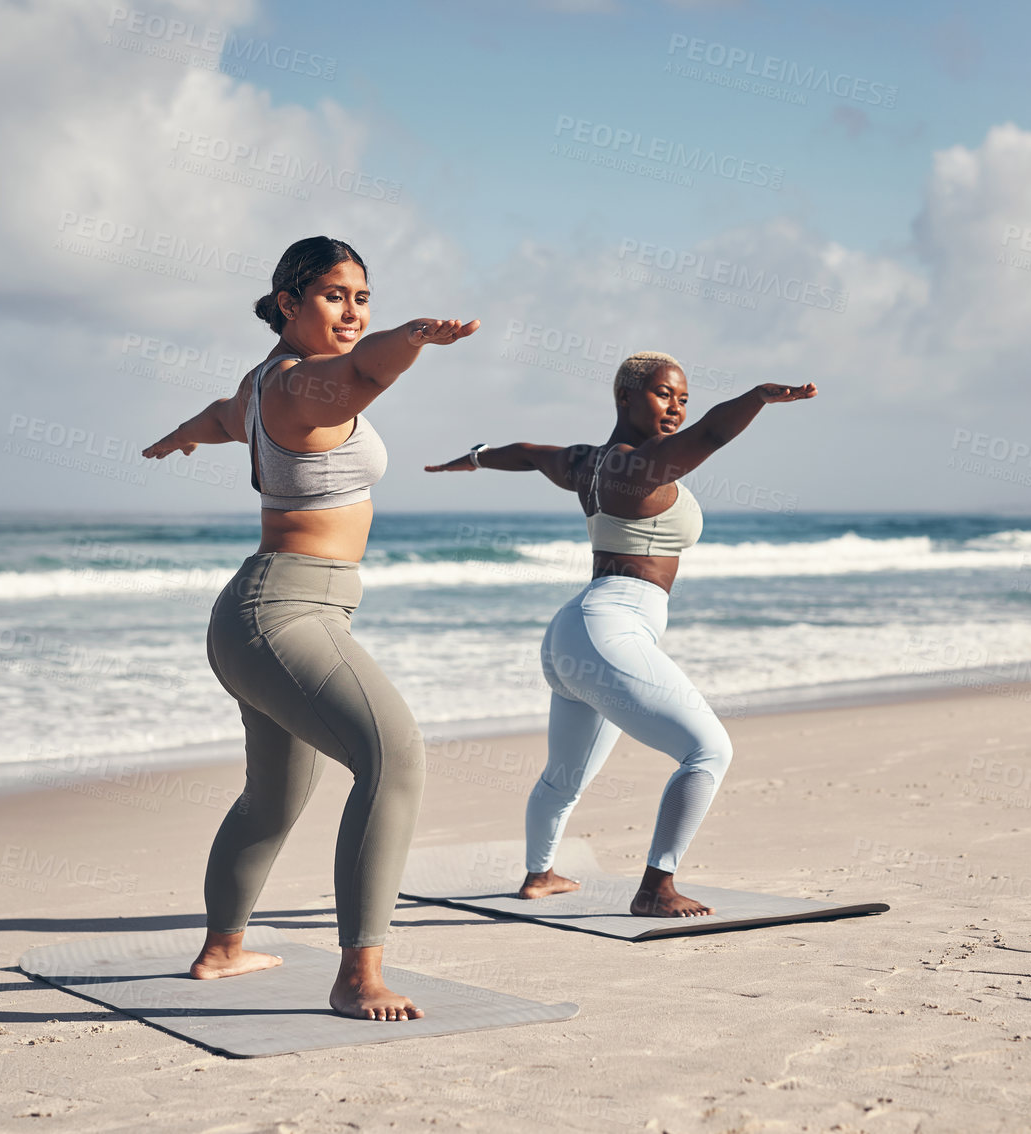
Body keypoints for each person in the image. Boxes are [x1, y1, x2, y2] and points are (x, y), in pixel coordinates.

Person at [143, 236, 477, 1019]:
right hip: (284, 613)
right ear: (289, 303)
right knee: (393, 758)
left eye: (364, 298)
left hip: (258, 616)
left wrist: (183, 434)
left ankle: (222, 950)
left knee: (273, 799)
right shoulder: (306, 386)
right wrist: (415, 338)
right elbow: (365, 372)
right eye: (334, 295)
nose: (353, 311)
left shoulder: (261, 385)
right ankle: (358, 976)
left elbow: (225, 418)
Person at [426, 352, 815, 916]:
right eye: (663, 395)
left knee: (565, 775)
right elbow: (712, 434)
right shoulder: (639, 465)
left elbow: (533, 455)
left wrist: (476, 458)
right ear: (626, 398)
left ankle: (540, 875)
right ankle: (656, 886)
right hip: (609, 628)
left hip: (576, 632)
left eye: (683, 398)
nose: (677, 409)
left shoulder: (588, 462)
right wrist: (757, 396)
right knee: (708, 751)